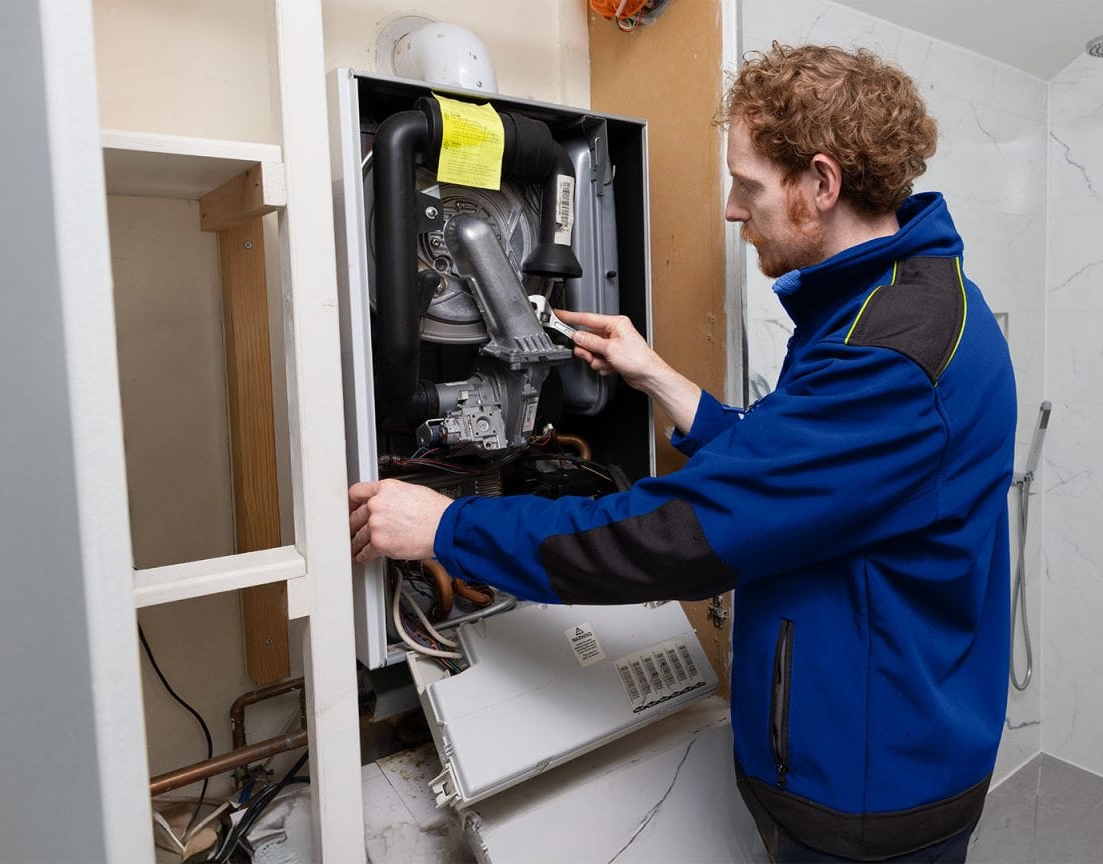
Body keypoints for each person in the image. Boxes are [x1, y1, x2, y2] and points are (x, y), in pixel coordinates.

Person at [349, 43, 1018, 863]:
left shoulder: (888, 356)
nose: (734, 211)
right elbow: (806, 482)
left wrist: (450, 529)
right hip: (891, 744)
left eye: (747, 185)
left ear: (821, 183)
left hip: (867, 788)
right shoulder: (902, 301)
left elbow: (679, 537)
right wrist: (660, 378)